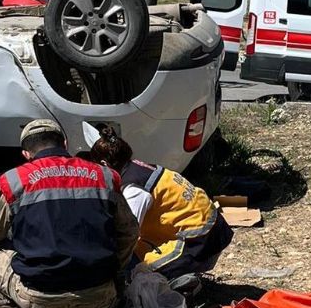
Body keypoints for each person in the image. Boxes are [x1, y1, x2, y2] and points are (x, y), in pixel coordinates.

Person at [0, 119, 138, 308]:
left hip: (38, 298)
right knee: (96, 263)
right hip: (100, 296)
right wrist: (113, 271)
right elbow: (130, 232)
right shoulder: (105, 176)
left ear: (26, 154)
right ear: (65, 143)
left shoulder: (15, 180)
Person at [88, 126, 233, 294]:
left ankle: (180, 280)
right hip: (209, 230)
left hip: (200, 243)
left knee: (136, 269)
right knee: (135, 251)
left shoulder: (134, 189)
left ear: (105, 164)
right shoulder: (139, 168)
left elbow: (127, 234)